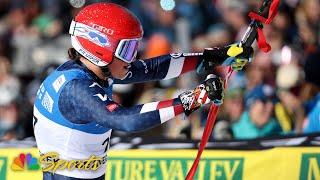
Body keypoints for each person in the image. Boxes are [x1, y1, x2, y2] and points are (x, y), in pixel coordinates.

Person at [33, 3, 253, 180]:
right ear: (99, 49)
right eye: (127, 49)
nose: (133, 58)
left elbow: (154, 68)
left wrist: (216, 57)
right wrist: (192, 100)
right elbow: (124, 120)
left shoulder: (97, 70)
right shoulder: (76, 89)